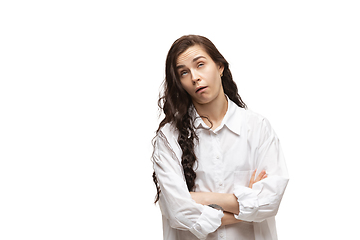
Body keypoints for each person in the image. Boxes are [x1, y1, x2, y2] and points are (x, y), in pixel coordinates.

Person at [152, 35, 289, 240]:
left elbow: (271, 200)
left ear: (220, 66)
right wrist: (246, 206)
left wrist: (201, 198)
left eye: (200, 64)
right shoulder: (169, 137)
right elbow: (177, 211)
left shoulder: (257, 128)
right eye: (183, 73)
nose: (194, 77)